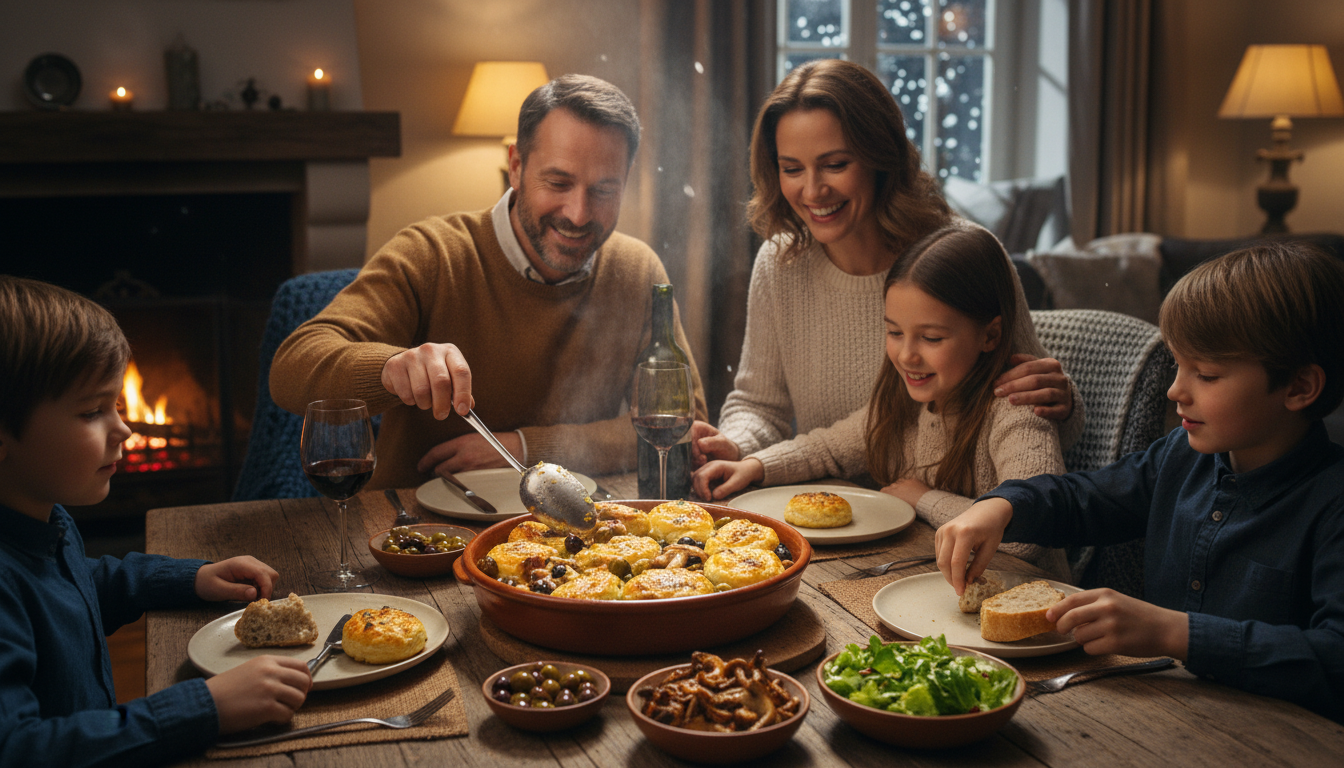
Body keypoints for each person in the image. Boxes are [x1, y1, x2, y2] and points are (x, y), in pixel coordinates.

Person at [934, 243, 1344, 721]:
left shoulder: (1331, 503)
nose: (1175, 391)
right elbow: (1084, 499)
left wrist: (1176, 633)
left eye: (1206, 375)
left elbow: (1333, 659)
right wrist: (1001, 506)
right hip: (1161, 714)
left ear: (1299, 388)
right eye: (1177, 365)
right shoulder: (1180, 457)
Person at [271, 75, 706, 490]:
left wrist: (522, 448)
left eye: (605, 190)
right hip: (417, 528)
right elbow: (291, 367)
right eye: (558, 182)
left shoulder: (637, 269)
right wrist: (392, 367)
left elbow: (682, 426)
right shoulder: (432, 253)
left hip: (565, 538)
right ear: (516, 166)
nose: (578, 213)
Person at [691, 58, 1081, 500]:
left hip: (952, 528)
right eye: (792, 168)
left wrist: (1062, 406)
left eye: (835, 164)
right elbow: (760, 405)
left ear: (881, 157)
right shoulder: (780, 263)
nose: (813, 191)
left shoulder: (961, 256)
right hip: (829, 513)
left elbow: (1030, 426)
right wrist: (737, 444)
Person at [0, 276, 311, 766]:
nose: (123, 428)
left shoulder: (41, 518)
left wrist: (190, 578)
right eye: (91, 412)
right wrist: (203, 706)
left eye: (117, 405)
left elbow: (79, 588)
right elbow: (20, 750)